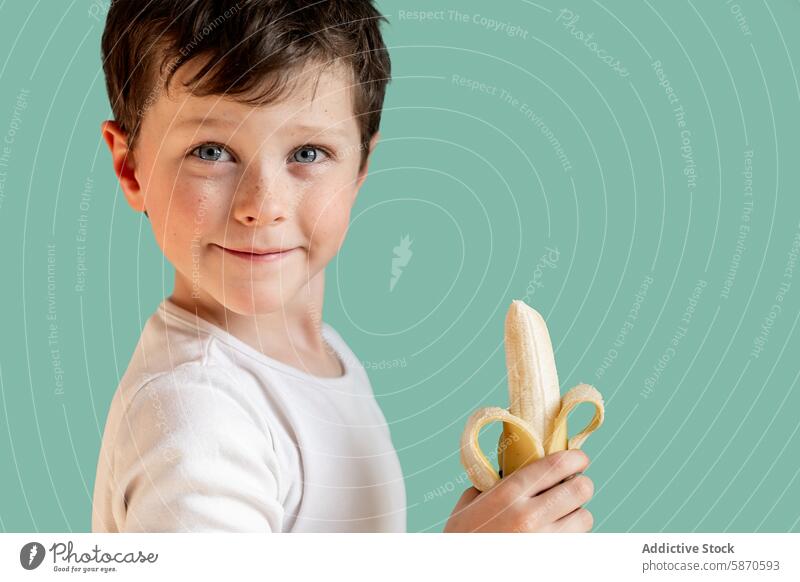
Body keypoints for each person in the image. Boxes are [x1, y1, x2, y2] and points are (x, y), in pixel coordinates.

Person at [91, 0, 594, 533]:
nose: (262, 204)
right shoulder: (197, 414)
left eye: (307, 154)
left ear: (361, 167)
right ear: (130, 167)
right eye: (211, 151)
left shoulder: (322, 357)